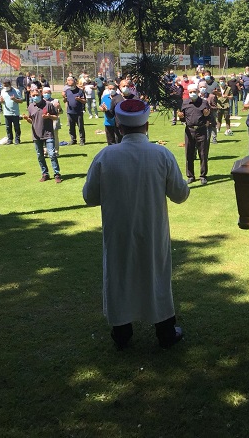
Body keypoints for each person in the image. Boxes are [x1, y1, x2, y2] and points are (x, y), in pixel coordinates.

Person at [83, 98, 190, 350]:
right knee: (155, 273)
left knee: (119, 274)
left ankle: (121, 333)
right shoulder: (161, 154)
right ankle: (165, 331)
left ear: (118, 125)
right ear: (147, 125)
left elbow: (89, 197)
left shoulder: (106, 156)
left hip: (118, 230)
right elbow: (180, 195)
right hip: (152, 229)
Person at [23, 86, 61, 183]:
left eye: (37, 95)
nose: (35, 97)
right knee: (40, 155)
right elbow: (32, 120)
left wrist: (49, 116)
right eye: (33, 95)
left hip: (48, 134)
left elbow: (56, 117)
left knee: (52, 154)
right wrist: (27, 119)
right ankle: (45, 174)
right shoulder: (31, 107)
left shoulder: (48, 105)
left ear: (41, 95)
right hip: (36, 135)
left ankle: (57, 174)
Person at [178, 84, 211, 185]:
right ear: (188, 92)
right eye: (191, 92)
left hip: (201, 130)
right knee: (189, 153)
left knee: (203, 154)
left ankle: (203, 176)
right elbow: (183, 117)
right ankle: (190, 176)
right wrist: (180, 117)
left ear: (198, 92)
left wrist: (207, 116)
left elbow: (209, 118)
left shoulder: (204, 102)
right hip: (189, 131)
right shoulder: (184, 103)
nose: (193, 94)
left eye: (194, 91)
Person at [63, 76, 86, 146]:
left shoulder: (80, 91)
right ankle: (73, 140)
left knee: (80, 127)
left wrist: (79, 99)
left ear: (74, 81)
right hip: (70, 112)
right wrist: (64, 99)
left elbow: (84, 101)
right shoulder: (67, 91)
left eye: (70, 80)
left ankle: (82, 140)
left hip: (78, 112)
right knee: (71, 127)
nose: (69, 82)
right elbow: (65, 100)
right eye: (68, 80)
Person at [0, 80, 23, 144]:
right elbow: (2, 101)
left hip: (15, 113)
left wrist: (14, 99)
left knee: (17, 127)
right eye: (4, 86)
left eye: (6, 85)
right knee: (8, 127)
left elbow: (21, 101)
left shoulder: (16, 91)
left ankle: (17, 139)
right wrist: (1, 101)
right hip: (6, 112)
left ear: (10, 85)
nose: (5, 87)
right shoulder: (2, 91)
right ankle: (10, 139)